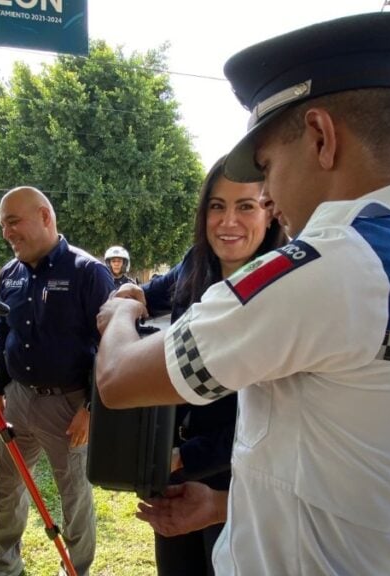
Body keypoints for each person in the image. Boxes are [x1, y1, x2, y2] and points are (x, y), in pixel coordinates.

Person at [95, 12, 390, 575]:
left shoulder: (333, 264)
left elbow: (118, 380)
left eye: (268, 166)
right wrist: (223, 507)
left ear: (321, 137)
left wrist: (121, 312)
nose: (269, 197)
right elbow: (340, 467)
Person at [119, 156, 283, 575]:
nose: (228, 221)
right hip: (175, 463)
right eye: (216, 205)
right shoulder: (197, 261)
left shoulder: (282, 287)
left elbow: (274, 416)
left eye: (245, 206)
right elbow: (149, 293)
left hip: (236, 475)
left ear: (270, 211)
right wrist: (128, 296)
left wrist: (182, 456)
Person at [0, 186, 115, 576]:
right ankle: (5, 565)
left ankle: (76, 568)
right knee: (7, 486)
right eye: (2, 225)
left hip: (69, 405)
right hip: (17, 398)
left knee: (73, 492)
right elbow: (2, 332)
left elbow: (110, 345)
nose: (6, 232)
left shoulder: (88, 272)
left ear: (45, 216)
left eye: (13, 221)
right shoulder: (10, 273)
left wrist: (90, 408)